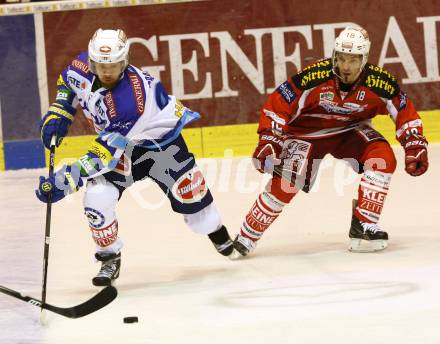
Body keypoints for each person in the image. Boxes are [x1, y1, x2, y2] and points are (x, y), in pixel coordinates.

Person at [35, 29, 236, 286]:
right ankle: (109, 257)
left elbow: (103, 155)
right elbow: (67, 83)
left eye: (115, 65)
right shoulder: (82, 64)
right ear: (92, 61)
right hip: (123, 148)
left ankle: (222, 238)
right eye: (100, 65)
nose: (107, 72)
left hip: (162, 146)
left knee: (200, 216)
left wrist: (66, 180)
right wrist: (60, 111)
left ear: (125, 61)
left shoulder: (131, 101)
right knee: (97, 198)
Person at [232, 26, 429, 257]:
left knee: (382, 158)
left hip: (349, 131)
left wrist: (415, 144)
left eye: (353, 60)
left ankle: (364, 226)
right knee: (286, 184)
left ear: (364, 59)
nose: (345, 67)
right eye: (341, 58)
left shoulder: (380, 83)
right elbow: (278, 104)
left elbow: (404, 111)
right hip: (304, 134)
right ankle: (246, 236)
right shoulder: (313, 76)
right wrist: (269, 138)